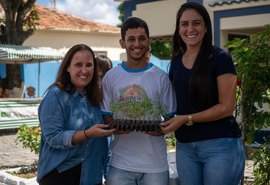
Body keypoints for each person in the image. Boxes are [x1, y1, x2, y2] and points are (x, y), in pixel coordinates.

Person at [160, 2, 245, 185]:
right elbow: (174, 104)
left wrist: (185, 119)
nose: (190, 29)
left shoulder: (220, 58)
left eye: (196, 23)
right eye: (184, 24)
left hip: (220, 145)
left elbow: (226, 108)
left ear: (206, 27)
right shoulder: (175, 62)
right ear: (178, 29)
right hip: (185, 148)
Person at [101, 17, 176, 185]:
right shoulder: (110, 77)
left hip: (155, 165)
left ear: (148, 41)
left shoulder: (161, 77)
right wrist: (116, 127)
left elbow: (170, 117)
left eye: (142, 38)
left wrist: (162, 129)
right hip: (120, 164)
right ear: (122, 43)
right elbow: (106, 116)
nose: (137, 44)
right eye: (131, 39)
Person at [36, 44, 115, 185]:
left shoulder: (96, 97)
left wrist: (109, 174)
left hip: (92, 176)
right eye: (78, 65)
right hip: (61, 175)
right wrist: (87, 134)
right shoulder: (56, 95)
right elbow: (53, 137)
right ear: (68, 67)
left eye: (89, 65)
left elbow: (102, 143)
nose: (84, 70)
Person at [95, 55, 113, 182]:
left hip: (111, 142)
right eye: (99, 76)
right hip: (95, 144)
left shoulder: (112, 92)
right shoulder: (89, 93)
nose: (102, 81)